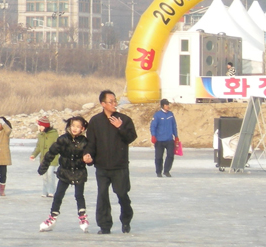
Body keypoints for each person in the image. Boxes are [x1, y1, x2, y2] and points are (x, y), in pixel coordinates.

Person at [84, 90, 137, 234]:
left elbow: (131, 138)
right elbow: (91, 143)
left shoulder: (124, 120)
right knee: (102, 196)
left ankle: (126, 221)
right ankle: (104, 226)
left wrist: (120, 128)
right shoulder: (95, 121)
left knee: (122, 194)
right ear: (103, 104)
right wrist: (88, 156)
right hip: (102, 167)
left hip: (119, 166)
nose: (114, 104)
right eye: (111, 101)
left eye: (115, 101)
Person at [38, 117, 91, 232]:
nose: (75, 129)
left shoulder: (85, 142)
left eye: (78, 127)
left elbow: (91, 157)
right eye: (73, 126)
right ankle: (52, 217)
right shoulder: (63, 140)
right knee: (58, 195)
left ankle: (82, 217)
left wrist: (89, 160)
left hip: (79, 172)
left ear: (82, 129)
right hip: (65, 173)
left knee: (79, 195)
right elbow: (51, 153)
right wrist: (43, 167)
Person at [30, 117, 59, 197]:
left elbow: (59, 145)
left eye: (41, 126)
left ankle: (52, 191)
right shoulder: (40, 135)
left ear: (45, 126)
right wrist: (34, 155)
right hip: (43, 159)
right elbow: (38, 147)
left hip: (53, 158)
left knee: (50, 174)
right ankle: (45, 191)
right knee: (45, 176)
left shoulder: (54, 134)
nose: (39, 128)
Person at [150, 99, 179, 178]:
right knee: (159, 157)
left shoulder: (171, 115)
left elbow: (174, 126)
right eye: (166, 105)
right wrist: (153, 135)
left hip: (169, 139)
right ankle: (158, 172)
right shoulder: (157, 115)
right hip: (159, 140)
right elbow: (153, 126)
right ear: (163, 105)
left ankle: (166, 171)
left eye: (168, 104)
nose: (168, 106)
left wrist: (176, 136)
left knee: (170, 155)